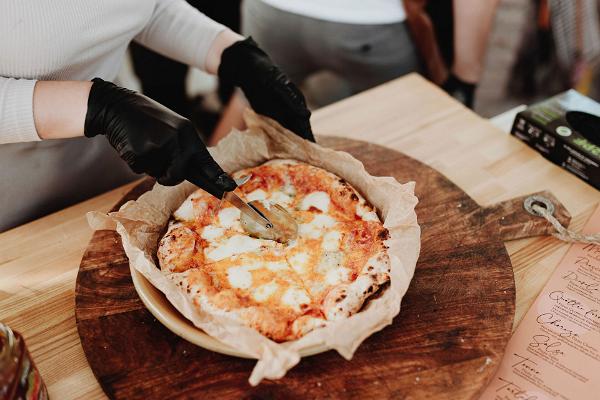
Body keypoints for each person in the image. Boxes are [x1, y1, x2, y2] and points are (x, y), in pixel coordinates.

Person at [0, 0, 312, 232]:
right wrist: (99, 107)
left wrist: (234, 55)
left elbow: (144, 7)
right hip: (12, 198)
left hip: (109, 160)